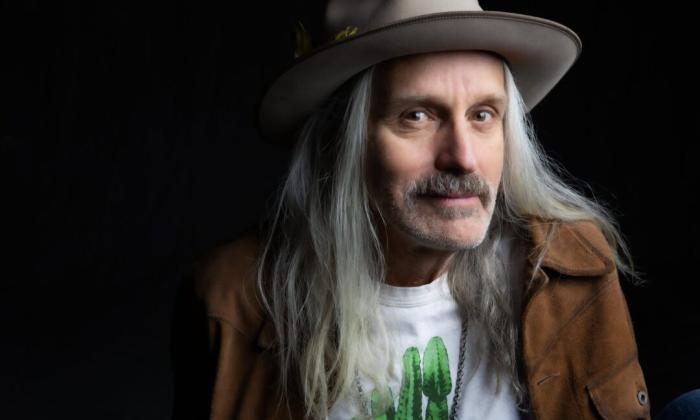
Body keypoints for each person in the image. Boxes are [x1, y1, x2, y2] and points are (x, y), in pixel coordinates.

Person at [173, 0, 651, 418]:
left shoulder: (573, 267)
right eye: (417, 116)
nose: (463, 157)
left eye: (483, 115)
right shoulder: (230, 297)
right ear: (342, 143)